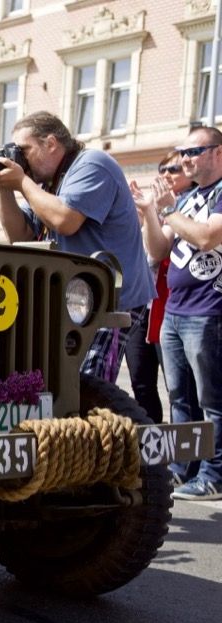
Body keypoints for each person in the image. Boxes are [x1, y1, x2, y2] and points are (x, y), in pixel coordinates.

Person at [0, 110, 155, 384]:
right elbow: (20, 235)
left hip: (110, 300)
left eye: (24, 150)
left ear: (51, 143)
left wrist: (21, 181)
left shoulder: (93, 164)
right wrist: (4, 188)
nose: (21, 159)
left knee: (87, 386)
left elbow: (64, 220)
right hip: (78, 299)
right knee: (61, 382)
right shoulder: (48, 184)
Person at [134, 125, 222, 500]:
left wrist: (168, 210)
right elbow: (157, 251)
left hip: (209, 311)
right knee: (179, 397)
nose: (185, 159)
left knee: (212, 399)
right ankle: (182, 469)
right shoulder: (188, 199)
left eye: (193, 152)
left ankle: (215, 475)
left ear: (218, 152)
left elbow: (206, 237)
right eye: (182, 152)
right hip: (175, 309)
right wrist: (150, 213)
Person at [125, 153, 199, 423]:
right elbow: (145, 253)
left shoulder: (193, 204)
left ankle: (189, 444)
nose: (166, 174)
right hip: (142, 305)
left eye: (173, 168)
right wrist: (143, 215)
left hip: (172, 306)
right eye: (162, 169)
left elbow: (158, 253)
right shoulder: (156, 205)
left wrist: (155, 213)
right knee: (140, 382)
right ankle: (152, 438)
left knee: (179, 389)